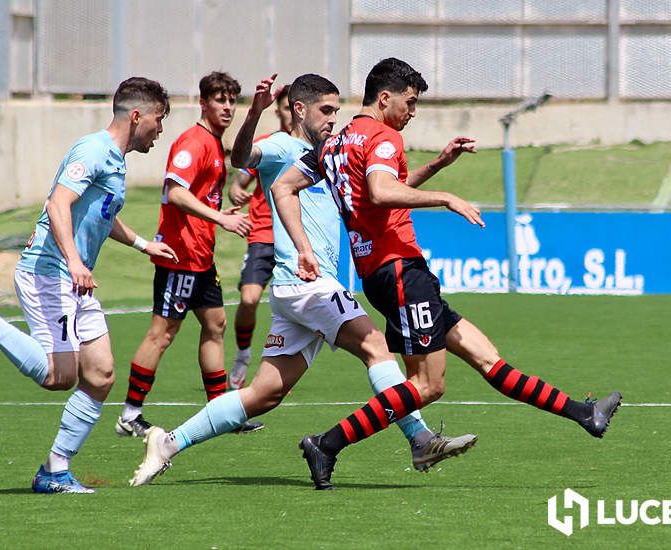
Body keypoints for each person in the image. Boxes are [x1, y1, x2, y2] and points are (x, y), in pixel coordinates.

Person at [272, 57, 622, 489]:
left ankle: (584, 414)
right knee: (428, 385)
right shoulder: (382, 136)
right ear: (385, 98)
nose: (413, 112)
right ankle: (326, 444)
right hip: (400, 271)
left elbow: (285, 187)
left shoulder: (338, 143)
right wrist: (446, 197)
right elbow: (382, 192)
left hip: (387, 273)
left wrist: (436, 165)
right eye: (410, 102)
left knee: (488, 360)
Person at [129, 73, 476, 487]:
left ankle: (167, 443)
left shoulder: (329, 154)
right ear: (299, 109)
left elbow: (380, 191)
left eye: (335, 110)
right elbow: (241, 158)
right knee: (375, 346)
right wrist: (255, 111)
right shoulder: (281, 147)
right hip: (306, 281)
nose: (332, 119)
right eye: (325, 111)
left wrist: (437, 164)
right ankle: (419, 438)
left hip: (300, 292)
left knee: (263, 394)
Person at [0, 77, 177, 493]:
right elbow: (57, 203)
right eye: (159, 119)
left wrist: (142, 244)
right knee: (58, 376)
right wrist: (76, 262)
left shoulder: (114, 159)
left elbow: (100, 213)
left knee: (99, 375)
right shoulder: (93, 149)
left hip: (74, 280)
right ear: (137, 115)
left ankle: (54, 470)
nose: (160, 129)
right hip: (50, 272)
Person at [114, 71, 264, 438]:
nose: (227, 107)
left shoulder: (214, 143)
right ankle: (130, 415)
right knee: (161, 335)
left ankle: (222, 413)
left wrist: (219, 214)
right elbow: (174, 192)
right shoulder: (193, 143)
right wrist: (220, 219)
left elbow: (201, 196)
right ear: (203, 102)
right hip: (178, 256)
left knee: (216, 324)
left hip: (201, 258)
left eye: (232, 100)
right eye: (220, 100)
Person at [226, 85, 292, 390]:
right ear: (278, 110)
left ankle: (285, 366)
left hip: (296, 238)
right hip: (264, 234)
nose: (292, 113)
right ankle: (242, 355)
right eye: (287, 107)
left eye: (296, 106)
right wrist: (236, 191)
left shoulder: (312, 149)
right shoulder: (266, 146)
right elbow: (239, 182)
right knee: (250, 299)